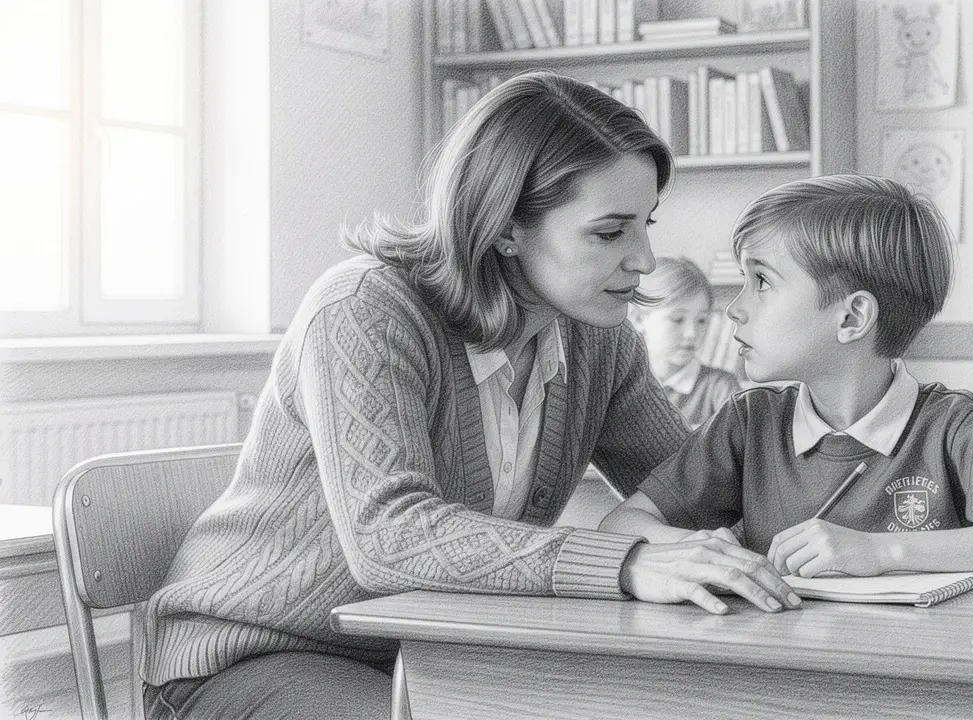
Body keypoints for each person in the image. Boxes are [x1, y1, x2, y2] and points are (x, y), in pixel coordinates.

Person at [139, 71, 799, 720]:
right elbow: (387, 536)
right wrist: (625, 563)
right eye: (609, 232)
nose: (646, 259)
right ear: (506, 226)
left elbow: (699, 491)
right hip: (252, 658)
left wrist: (869, 532)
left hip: (427, 652)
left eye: (645, 224)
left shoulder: (598, 339)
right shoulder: (366, 309)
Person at [601, 175, 973, 583]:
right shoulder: (749, 423)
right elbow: (622, 523)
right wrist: (699, 547)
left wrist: (880, 552)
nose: (735, 308)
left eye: (762, 282)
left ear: (853, 318)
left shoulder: (957, 425)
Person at [630, 256, 741, 427]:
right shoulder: (623, 386)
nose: (691, 333)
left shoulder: (720, 388)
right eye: (677, 319)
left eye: (702, 320)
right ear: (639, 319)